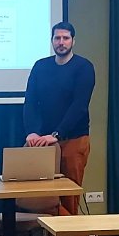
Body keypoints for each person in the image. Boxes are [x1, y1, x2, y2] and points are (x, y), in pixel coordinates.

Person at [22, 21, 96, 215]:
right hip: (42, 141)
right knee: (39, 195)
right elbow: (31, 102)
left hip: (73, 139)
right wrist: (32, 132)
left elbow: (79, 106)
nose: (61, 42)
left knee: (68, 197)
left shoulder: (84, 67)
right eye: (57, 38)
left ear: (73, 41)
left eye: (65, 38)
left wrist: (57, 134)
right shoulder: (40, 66)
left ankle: (71, 234)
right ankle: (57, 231)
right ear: (52, 41)